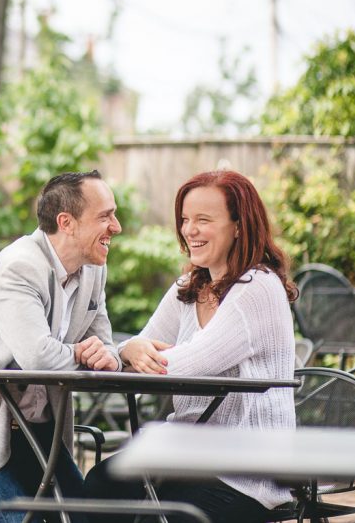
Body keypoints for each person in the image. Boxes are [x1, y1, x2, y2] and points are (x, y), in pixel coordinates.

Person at [83, 169, 298, 523]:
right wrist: (128, 348)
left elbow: (186, 364)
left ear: (239, 225)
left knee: (161, 516)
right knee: (98, 487)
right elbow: (140, 345)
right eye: (185, 219)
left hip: (248, 470)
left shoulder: (258, 287)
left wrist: (135, 350)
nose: (189, 230)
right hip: (185, 455)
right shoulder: (189, 286)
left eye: (203, 219)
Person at [0, 170, 123, 521]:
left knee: (89, 518)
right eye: (105, 216)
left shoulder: (94, 270)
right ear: (66, 222)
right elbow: (39, 357)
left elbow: (106, 345)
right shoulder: (19, 266)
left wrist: (107, 357)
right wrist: (84, 357)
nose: (116, 226)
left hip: (41, 438)